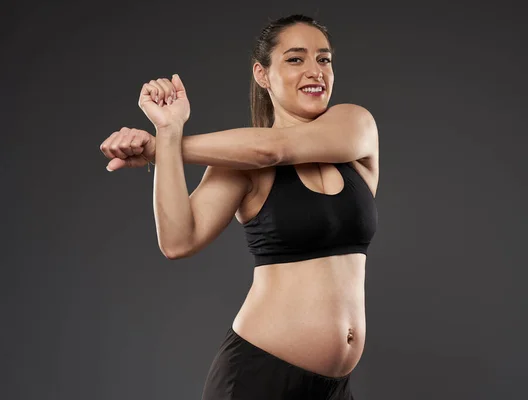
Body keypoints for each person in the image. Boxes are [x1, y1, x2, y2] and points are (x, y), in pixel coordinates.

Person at [99, 14, 378, 400]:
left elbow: (273, 149)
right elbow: (179, 241)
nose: (315, 71)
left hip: (333, 388)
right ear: (262, 75)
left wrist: (161, 149)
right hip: (256, 379)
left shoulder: (356, 124)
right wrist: (166, 133)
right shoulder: (241, 166)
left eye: (324, 59)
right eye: (295, 59)